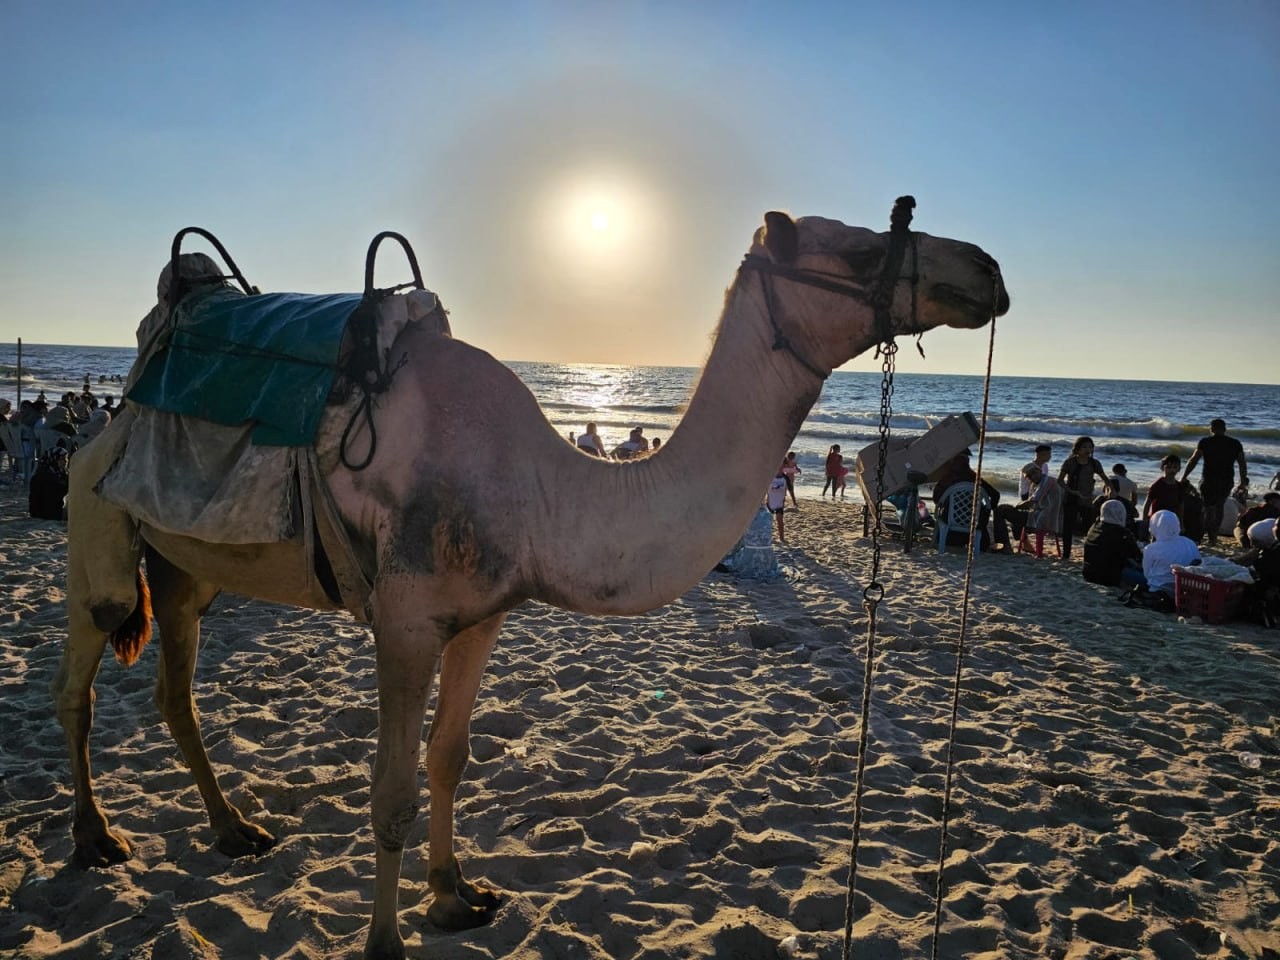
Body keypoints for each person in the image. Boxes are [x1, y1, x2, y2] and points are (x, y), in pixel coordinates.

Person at [1182, 418, 1248, 547]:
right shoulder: (1235, 443)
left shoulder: (1205, 442)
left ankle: (1207, 535)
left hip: (1208, 480)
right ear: (1225, 429)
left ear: (1211, 429)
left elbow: (1193, 460)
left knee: (1208, 508)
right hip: (1226, 481)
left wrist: (1184, 476)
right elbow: (1242, 463)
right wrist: (1242, 481)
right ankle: (1214, 537)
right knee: (1219, 507)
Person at [932, 449, 999, 550]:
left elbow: (936, 499)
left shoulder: (947, 478)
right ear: (967, 462)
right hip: (974, 526)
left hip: (950, 531)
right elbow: (995, 495)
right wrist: (987, 509)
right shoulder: (974, 478)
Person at [1058, 436, 1109, 559]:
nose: (1088, 450)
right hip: (1070, 499)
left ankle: (1089, 554)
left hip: (1086, 500)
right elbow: (1060, 481)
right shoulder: (1070, 462)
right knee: (1068, 528)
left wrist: (1111, 489)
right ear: (1077, 449)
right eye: (1084, 447)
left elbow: (1104, 478)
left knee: (1089, 528)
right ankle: (1066, 554)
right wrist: (1072, 491)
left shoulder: (1094, 463)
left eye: (1090, 447)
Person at [993, 464, 1061, 553]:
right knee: (1010, 513)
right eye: (1029, 476)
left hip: (1043, 518)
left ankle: (1006, 544)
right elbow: (1030, 503)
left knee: (1001, 510)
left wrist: (1017, 506)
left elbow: (1031, 501)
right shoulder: (1036, 484)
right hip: (1037, 515)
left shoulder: (1048, 481)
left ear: (1039, 470)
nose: (1032, 477)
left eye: (1033, 473)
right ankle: (1023, 543)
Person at [1082, 499, 1144, 587]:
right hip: (1108, 577)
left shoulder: (1094, 527)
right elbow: (1137, 556)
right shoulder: (1121, 533)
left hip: (1089, 573)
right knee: (1147, 579)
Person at [1143, 509, 1201, 599]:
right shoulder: (1189, 542)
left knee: (1127, 572)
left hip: (1159, 588)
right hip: (1186, 587)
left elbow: (1146, 575)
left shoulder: (1150, 548)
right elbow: (1199, 563)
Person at [29, 447, 70, 521]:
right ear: (53, 460)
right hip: (46, 514)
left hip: (55, 513)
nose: (65, 461)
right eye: (61, 459)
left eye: (66, 458)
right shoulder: (42, 476)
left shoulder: (61, 474)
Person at [1143, 454, 1184, 523]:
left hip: (1172, 519)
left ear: (1179, 469)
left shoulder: (1179, 486)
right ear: (1162, 468)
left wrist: (1181, 522)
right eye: (1168, 467)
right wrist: (1145, 520)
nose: (1172, 470)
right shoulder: (1157, 485)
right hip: (1158, 519)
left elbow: (1181, 506)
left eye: (1175, 467)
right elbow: (1148, 503)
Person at [766, 467, 789, 543]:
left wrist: (785, 501)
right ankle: (768, 537)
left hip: (779, 504)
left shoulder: (785, 478)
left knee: (780, 520)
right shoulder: (770, 477)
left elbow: (788, 490)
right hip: (770, 503)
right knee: (768, 521)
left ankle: (782, 538)